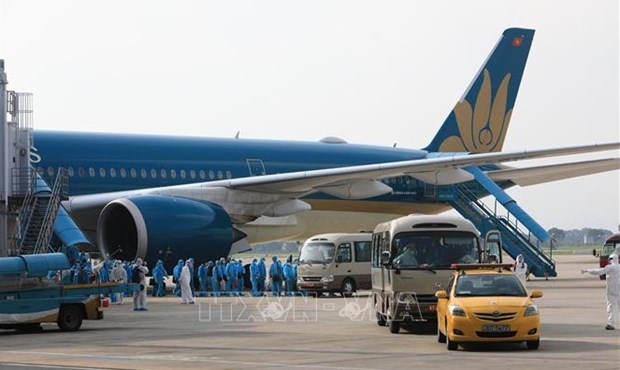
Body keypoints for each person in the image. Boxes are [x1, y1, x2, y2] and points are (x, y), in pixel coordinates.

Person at [582, 253, 620, 330]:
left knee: (611, 307)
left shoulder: (610, 267)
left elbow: (598, 271)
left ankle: (611, 324)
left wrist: (587, 270)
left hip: (612, 291)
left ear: (611, 259)